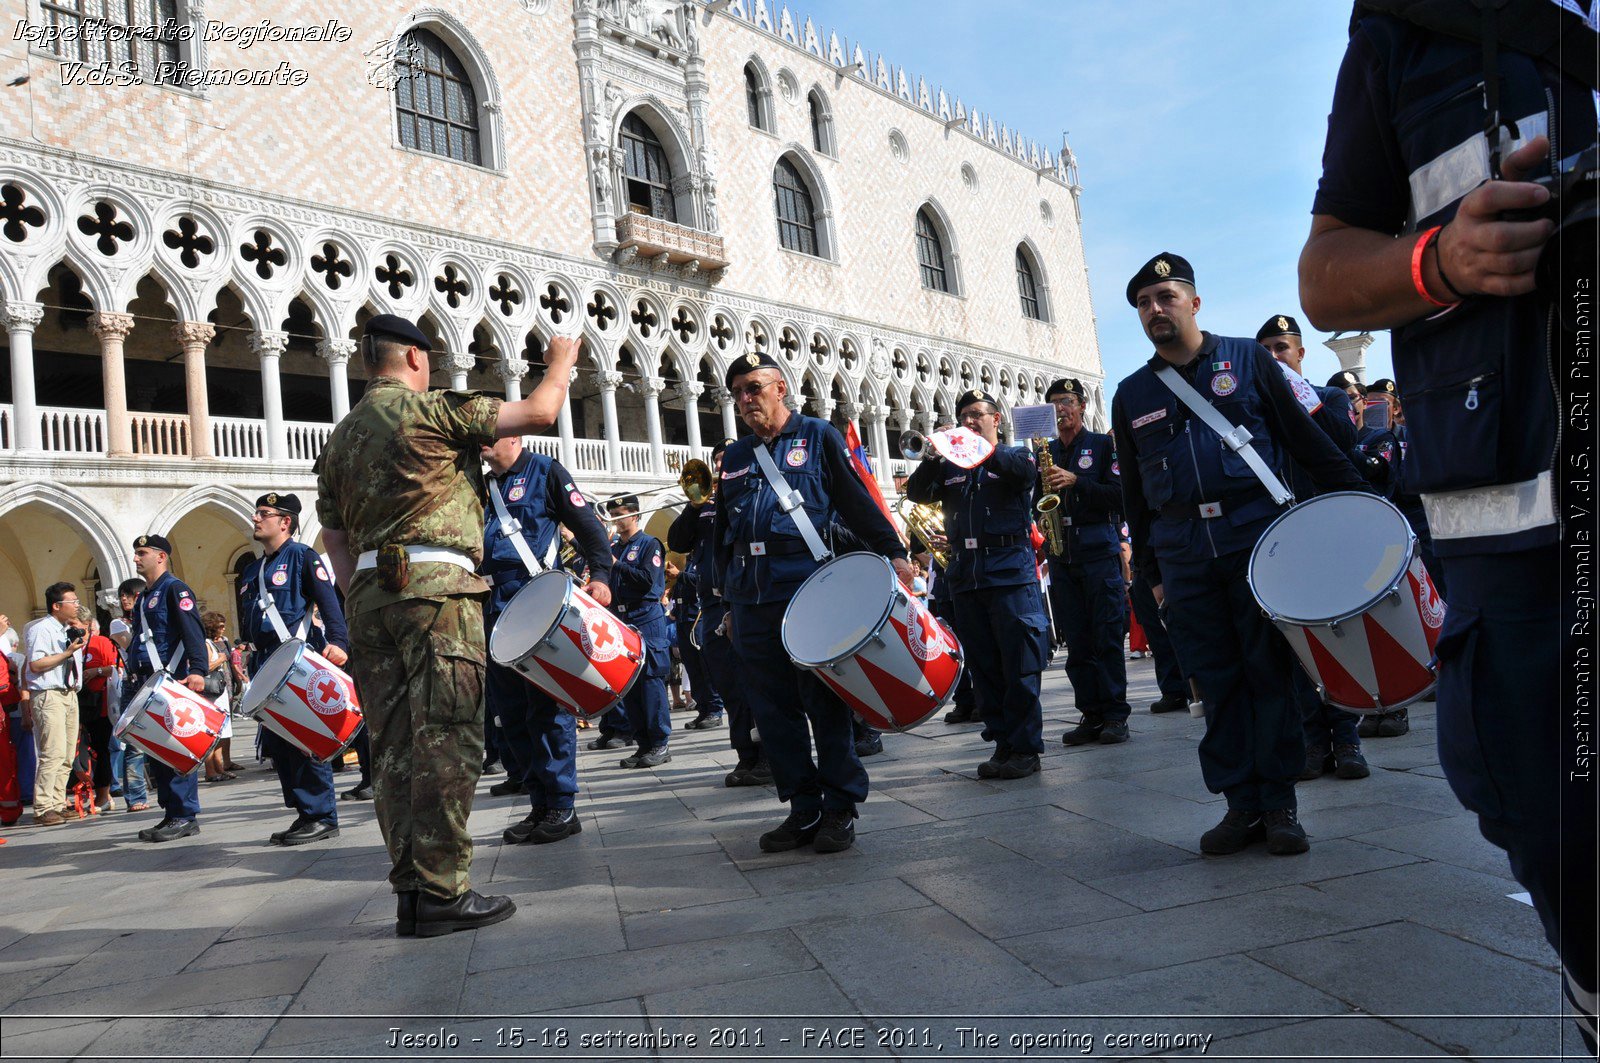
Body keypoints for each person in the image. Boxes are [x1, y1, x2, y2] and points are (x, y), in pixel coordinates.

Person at [1299, 2, 1596, 1044]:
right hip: (1526, 530)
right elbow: (1327, 266)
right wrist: (1441, 262)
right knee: (1552, 811)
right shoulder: (1406, 23)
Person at [316, 313, 580, 938]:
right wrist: (563, 359)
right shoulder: (429, 410)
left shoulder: (341, 438)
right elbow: (539, 413)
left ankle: (412, 890)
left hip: (371, 598)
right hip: (438, 594)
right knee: (447, 738)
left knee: (396, 750)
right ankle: (442, 891)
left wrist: (367, 594)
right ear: (412, 358)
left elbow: (334, 536)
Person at [1114, 253, 1368, 857]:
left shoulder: (1248, 360)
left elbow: (1305, 443)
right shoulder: (1132, 394)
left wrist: (1362, 505)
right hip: (1184, 557)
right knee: (1216, 681)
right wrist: (1151, 576)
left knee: (1269, 675)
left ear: (1194, 303)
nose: (1155, 309)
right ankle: (1239, 805)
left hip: (1259, 544)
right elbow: (1135, 500)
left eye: (1166, 297)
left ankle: (1279, 804)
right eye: (1144, 303)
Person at [713, 352, 910, 852]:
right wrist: (728, 604)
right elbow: (723, 534)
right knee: (772, 712)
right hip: (752, 597)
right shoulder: (736, 456)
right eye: (736, 391)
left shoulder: (818, 435)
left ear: (781, 388)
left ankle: (840, 807)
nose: (745, 398)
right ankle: (802, 808)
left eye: (754, 387)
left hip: (807, 591)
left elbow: (854, 499)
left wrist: (893, 550)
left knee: (824, 704)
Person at [906, 389, 1051, 779]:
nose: (969, 422)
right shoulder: (952, 466)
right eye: (964, 417)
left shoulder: (1015, 456)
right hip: (967, 576)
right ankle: (1003, 743)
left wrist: (974, 448)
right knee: (985, 668)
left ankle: (1025, 749)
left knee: (1019, 667)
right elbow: (916, 492)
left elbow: (1025, 475)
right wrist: (938, 454)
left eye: (977, 415)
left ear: (995, 420)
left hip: (1009, 574)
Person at [479, 433, 611, 845]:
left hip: (536, 602)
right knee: (511, 713)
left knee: (547, 710)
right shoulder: (482, 485)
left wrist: (602, 575)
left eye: (488, 436)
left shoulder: (545, 471)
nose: (479, 444)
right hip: (494, 607)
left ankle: (561, 805)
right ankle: (538, 802)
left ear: (514, 436)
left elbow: (587, 527)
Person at [1257, 316, 1369, 782]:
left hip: (1327, 531)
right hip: (1285, 535)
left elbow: (1343, 444)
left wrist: (1299, 398)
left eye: (1282, 347)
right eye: (1266, 351)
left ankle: (1346, 739)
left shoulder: (1329, 398)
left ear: (1301, 354)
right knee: (1298, 642)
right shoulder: (1257, 407)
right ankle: (1313, 740)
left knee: (1338, 637)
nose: (1276, 357)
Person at [238, 492, 351, 846]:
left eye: (264, 514)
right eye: (256, 513)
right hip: (264, 660)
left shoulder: (302, 556)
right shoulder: (252, 569)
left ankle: (322, 815)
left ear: (285, 522)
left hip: (296, 656)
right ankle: (304, 812)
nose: (256, 519)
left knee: (305, 739)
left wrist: (339, 642)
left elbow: (329, 603)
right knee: (280, 743)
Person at [668, 439, 768, 785]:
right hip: (711, 607)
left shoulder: (749, 497)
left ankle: (768, 755)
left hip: (745, 600)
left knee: (757, 683)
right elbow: (678, 542)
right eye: (718, 462)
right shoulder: (704, 506)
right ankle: (746, 755)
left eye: (728, 461)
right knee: (729, 686)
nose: (722, 467)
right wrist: (695, 505)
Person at [1039, 377, 1132, 747]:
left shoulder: (1103, 445)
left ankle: (1114, 715)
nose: (1060, 409)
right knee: (1076, 640)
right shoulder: (1045, 451)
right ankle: (1090, 713)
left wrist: (1077, 481)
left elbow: (1120, 496)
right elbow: (1036, 502)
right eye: (1053, 403)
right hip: (1063, 555)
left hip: (1097, 549)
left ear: (1080, 405)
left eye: (1065, 401)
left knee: (1106, 636)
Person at [122, 535, 210, 841]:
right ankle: (172, 812)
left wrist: (198, 670)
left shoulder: (175, 589)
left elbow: (192, 632)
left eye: (142, 553)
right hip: (149, 682)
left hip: (172, 677)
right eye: (135, 553)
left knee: (175, 747)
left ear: (161, 557)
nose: (136, 559)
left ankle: (184, 814)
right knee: (158, 751)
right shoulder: (146, 596)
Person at [604, 496, 674, 769]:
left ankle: (660, 742)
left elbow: (648, 581)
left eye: (619, 514)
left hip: (645, 616)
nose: (615, 519)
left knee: (651, 682)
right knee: (629, 683)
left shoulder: (649, 544)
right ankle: (642, 743)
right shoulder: (615, 547)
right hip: (622, 618)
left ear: (634, 514)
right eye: (612, 514)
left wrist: (617, 564)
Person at [23, 582, 87, 826]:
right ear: (57, 605)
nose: (77, 605)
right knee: (52, 751)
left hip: (69, 693)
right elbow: (36, 665)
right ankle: (43, 806)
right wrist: (67, 653)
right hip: (49, 694)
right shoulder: (41, 629)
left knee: (68, 752)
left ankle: (58, 803)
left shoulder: (66, 629)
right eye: (73, 601)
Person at [107, 578, 148, 812]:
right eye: (123, 595)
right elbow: (132, 646)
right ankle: (135, 796)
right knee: (135, 744)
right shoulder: (118, 623)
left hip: (152, 682)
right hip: (133, 684)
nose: (124, 599)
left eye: (130, 595)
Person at [79, 612, 118, 814]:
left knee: (100, 750)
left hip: (100, 705)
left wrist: (95, 672)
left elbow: (114, 667)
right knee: (89, 751)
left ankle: (103, 795)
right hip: (81, 704)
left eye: (74, 623)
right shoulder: (74, 645)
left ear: (86, 624)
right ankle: (103, 795)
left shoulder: (100, 642)